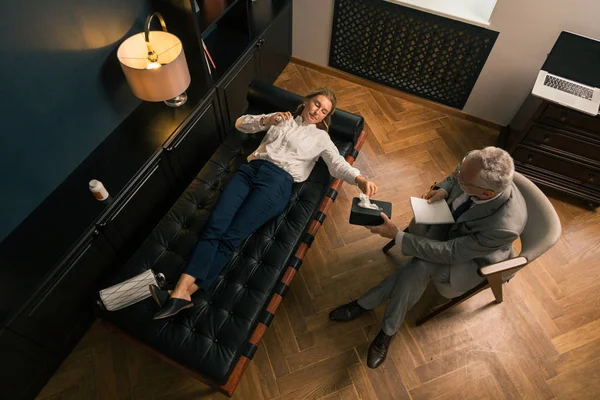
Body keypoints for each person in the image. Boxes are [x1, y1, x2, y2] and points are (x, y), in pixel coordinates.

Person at [151, 87, 378, 319]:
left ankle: (180, 291)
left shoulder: (321, 138)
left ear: (325, 117)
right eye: (317, 104)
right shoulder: (282, 118)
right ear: (306, 100)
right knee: (215, 225)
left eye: (324, 111)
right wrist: (269, 118)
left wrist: (359, 179)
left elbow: (337, 164)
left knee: (231, 237)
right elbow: (241, 124)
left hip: (278, 183)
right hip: (249, 171)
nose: (318, 112)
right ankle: (183, 295)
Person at [329, 147, 527, 369]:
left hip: (469, 260)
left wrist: (396, 235)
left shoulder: (504, 227)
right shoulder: (474, 165)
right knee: (418, 265)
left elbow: (451, 252)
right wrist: (444, 189)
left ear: (486, 194)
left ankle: (374, 315)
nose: (457, 175)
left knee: (420, 265)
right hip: (449, 229)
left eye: (463, 181)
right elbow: (454, 177)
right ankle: (383, 326)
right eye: (461, 168)